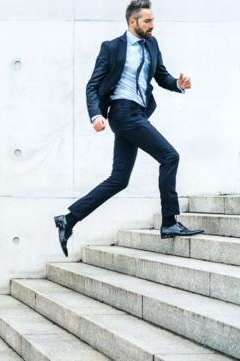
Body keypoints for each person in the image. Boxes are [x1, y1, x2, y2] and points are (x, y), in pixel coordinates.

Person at [54, 0, 203, 257]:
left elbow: (161, 76)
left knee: (119, 179)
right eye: (147, 21)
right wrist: (96, 115)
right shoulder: (112, 47)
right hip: (123, 112)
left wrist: (178, 84)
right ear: (132, 22)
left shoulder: (152, 44)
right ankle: (169, 222)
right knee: (170, 156)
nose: (152, 25)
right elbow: (93, 85)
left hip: (137, 114)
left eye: (153, 20)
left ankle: (69, 219)